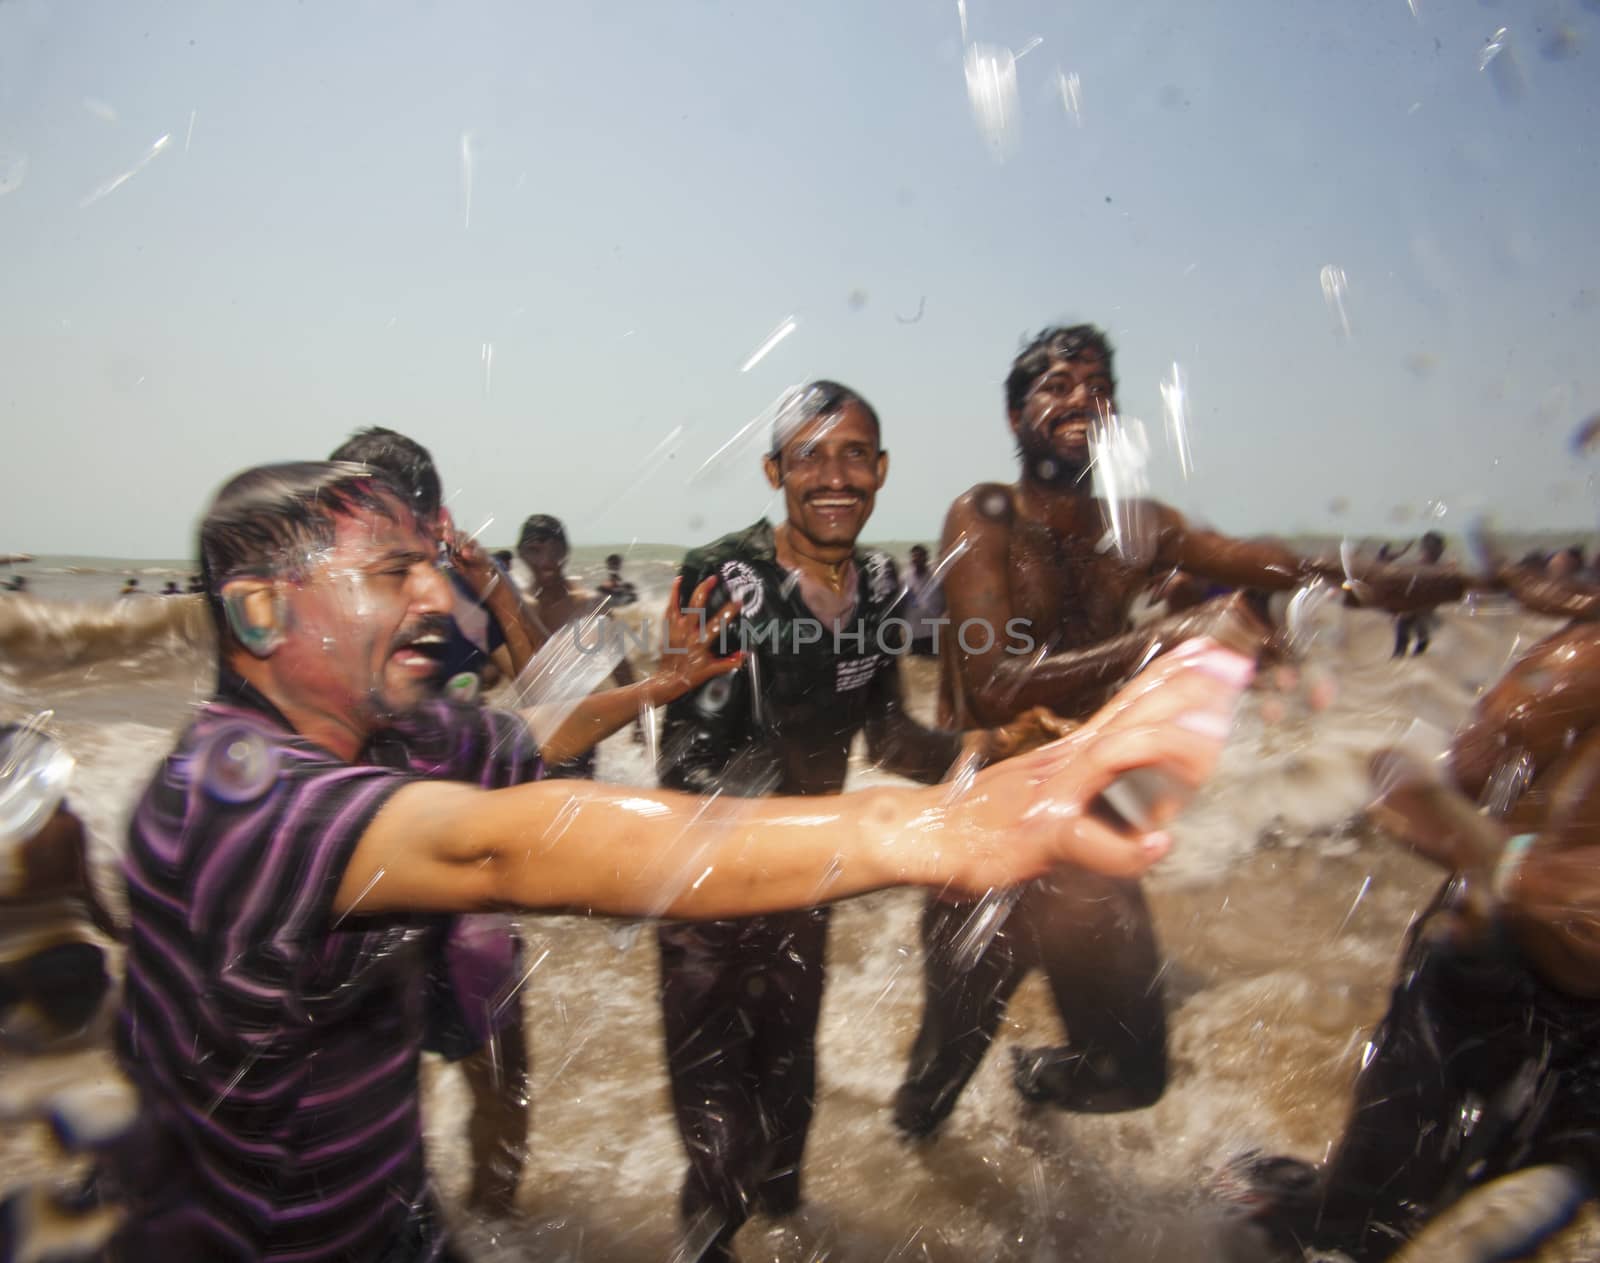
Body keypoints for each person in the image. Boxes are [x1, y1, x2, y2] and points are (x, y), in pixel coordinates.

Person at [107, 458, 1241, 1262]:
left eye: (430, 566)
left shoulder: (396, 732)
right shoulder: (230, 797)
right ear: (258, 614)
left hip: (386, 1218)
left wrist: (653, 689)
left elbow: (525, 751)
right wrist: (927, 829)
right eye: (389, 572)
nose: (434, 596)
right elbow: (513, 845)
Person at [893, 324, 1463, 1139]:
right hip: (987, 828)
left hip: (1092, 824)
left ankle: (1030, 1082)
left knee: (1132, 1076)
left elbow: (1299, 571)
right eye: (1057, 385)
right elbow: (991, 688)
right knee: (937, 1079)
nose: (1083, 398)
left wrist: (1480, 578)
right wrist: (1163, 638)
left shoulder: (1143, 526)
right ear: (1017, 418)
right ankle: (891, 1190)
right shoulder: (986, 515)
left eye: (1099, 386)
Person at [654, 382, 1090, 1261]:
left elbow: (888, 737)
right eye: (809, 455)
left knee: (790, 1112)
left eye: (854, 452)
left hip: (808, 893)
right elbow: (687, 769)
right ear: (776, 471)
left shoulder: (881, 594)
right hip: (710, 904)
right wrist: (846, 827)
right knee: (721, 1140)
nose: (833, 474)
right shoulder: (726, 578)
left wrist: (992, 748)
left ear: (882, 471)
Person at [1233, 611, 1600, 1259]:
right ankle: (1243, 1206)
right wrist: (1529, 878)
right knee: (1365, 1228)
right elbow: (1419, 790)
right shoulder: (1581, 668)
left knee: (1521, 1216)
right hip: (1486, 983)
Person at [326, 425, 542, 1213]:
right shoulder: (315, 604)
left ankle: (495, 1228)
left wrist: (494, 583)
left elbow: (554, 693)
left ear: (433, 519)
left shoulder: (460, 602)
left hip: (464, 880)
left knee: (500, 1079)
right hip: (358, 889)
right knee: (371, 1100)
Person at [516, 513, 643, 770]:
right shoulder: (515, 607)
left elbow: (621, 667)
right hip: (529, 728)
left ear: (566, 552)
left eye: (554, 551)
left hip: (578, 728)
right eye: (535, 551)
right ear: (521, 554)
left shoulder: (590, 606)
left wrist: (639, 718)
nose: (545, 561)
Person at [1392, 530, 1446, 657]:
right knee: (1405, 626)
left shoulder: (1437, 570)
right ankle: (1402, 653)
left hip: (1422, 607)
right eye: (1430, 550)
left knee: (1415, 629)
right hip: (1414, 606)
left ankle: (1406, 654)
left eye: (1435, 550)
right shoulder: (1418, 567)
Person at [902, 543, 947, 655]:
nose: (916, 559)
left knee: (936, 658)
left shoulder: (937, 575)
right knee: (918, 658)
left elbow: (947, 595)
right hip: (915, 629)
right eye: (914, 556)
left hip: (935, 628)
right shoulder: (905, 577)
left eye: (919, 556)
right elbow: (901, 600)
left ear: (926, 558)